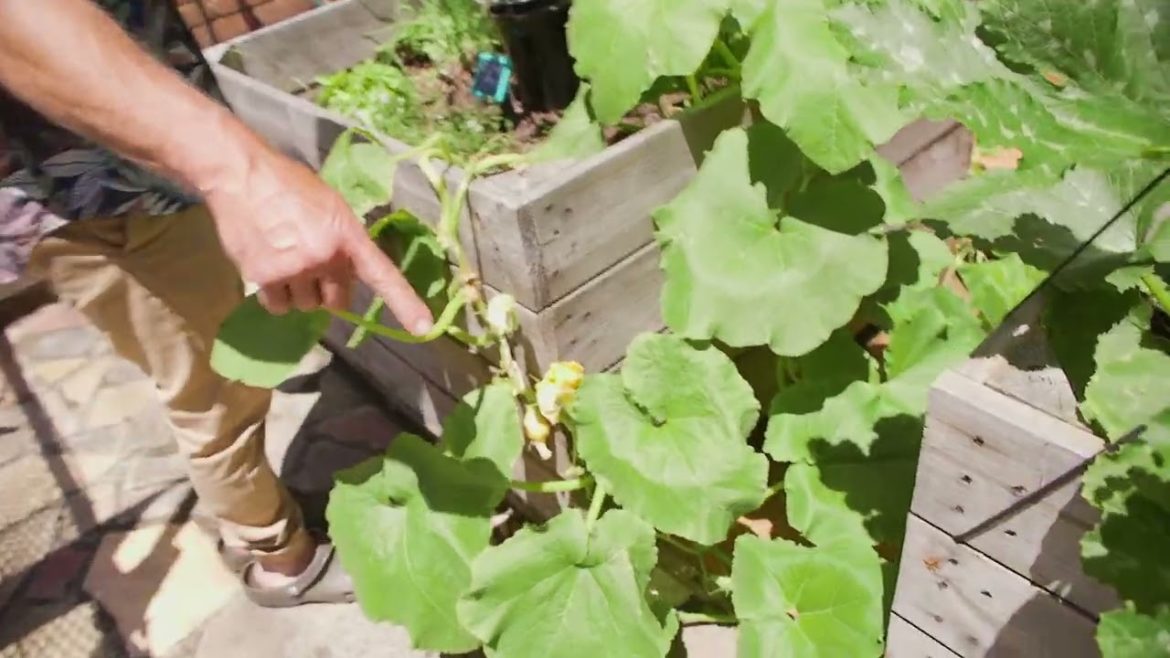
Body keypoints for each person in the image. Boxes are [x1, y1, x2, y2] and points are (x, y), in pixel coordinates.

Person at [0, 0, 434, 606]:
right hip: (106, 194)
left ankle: (251, 523)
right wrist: (236, 169)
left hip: (133, 172)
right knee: (211, 394)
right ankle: (282, 560)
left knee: (209, 377)